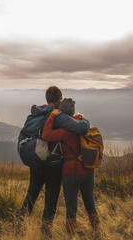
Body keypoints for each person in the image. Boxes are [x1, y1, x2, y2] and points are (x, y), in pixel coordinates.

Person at [19, 86, 90, 236]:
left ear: (46, 98)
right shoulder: (58, 115)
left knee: (32, 194)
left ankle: (19, 225)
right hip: (53, 165)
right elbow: (82, 129)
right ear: (59, 99)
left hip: (36, 162)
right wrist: (84, 120)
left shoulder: (34, 114)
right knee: (51, 199)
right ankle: (45, 232)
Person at [41, 98, 100, 237]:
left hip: (71, 172)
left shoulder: (65, 131)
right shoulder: (82, 123)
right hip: (88, 170)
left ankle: (70, 236)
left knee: (71, 208)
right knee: (90, 204)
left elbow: (46, 135)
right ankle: (97, 233)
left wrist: (52, 116)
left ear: (63, 114)